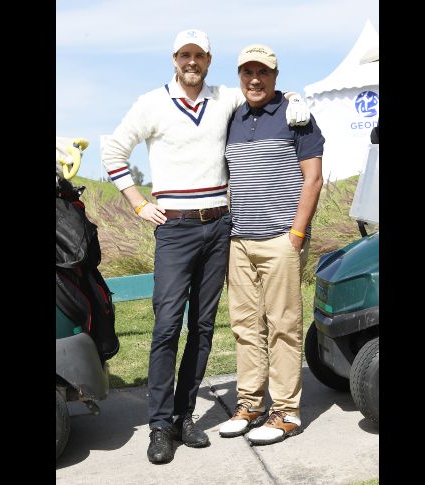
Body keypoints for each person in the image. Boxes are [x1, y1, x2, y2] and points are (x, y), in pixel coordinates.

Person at [101, 29, 310, 464]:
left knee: (202, 326)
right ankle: (159, 425)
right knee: (165, 326)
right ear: (175, 59)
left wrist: (295, 97)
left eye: (199, 55)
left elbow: (263, 92)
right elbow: (113, 151)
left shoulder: (224, 98)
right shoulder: (151, 103)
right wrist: (138, 203)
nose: (191, 62)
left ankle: (183, 415)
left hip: (219, 228)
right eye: (184, 55)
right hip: (175, 230)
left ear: (209, 61)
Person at [218, 44, 324, 446]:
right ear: (240, 76)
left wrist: (296, 235)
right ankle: (250, 404)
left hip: (282, 237)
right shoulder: (232, 117)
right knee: (246, 326)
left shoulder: (297, 116)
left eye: (263, 72)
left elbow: (312, 179)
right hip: (239, 239)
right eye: (247, 72)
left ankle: (286, 412)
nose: (255, 79)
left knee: (283, 326)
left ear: (275, 77)